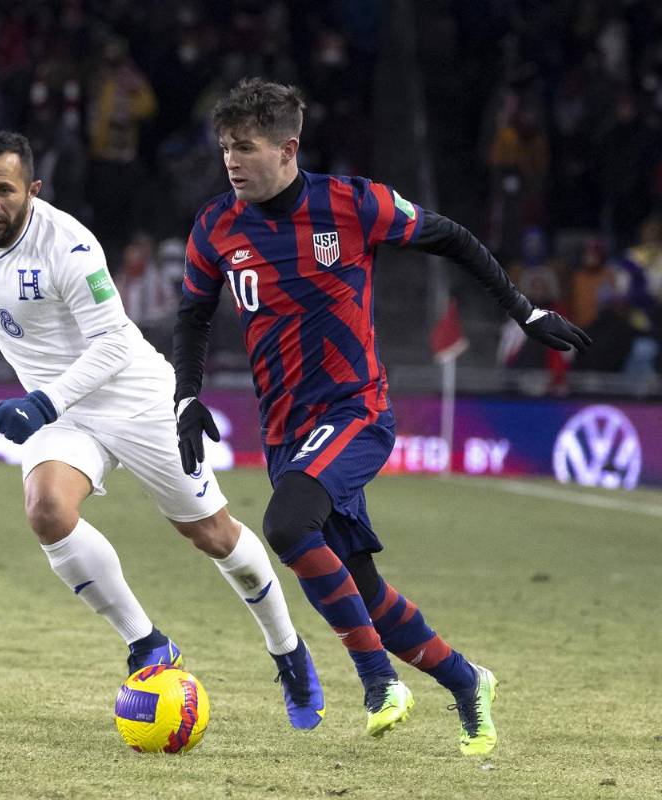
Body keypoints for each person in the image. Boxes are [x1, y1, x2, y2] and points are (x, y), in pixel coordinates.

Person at [173, 79, 591, 756]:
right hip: (285, 432)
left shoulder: (352, 204)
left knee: (285, 524)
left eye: (244, 147)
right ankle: (466, 682)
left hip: (355, 411)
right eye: (225, 147)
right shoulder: (216, 225)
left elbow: (451, 238)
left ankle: (377, 682)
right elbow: (192, 315)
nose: (231, 160)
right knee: (360, 589)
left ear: (288, 148)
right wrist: (186, 396)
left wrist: (525, 310)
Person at [0, 130, 325, 730]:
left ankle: (288, 651)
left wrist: (44, 400)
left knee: (213, 536)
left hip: (134, 396)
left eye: (5, 191)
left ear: (32, 191)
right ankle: (147, 644)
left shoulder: (69, 247)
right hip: (64, 413)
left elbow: (116, 341)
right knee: (46, 512)